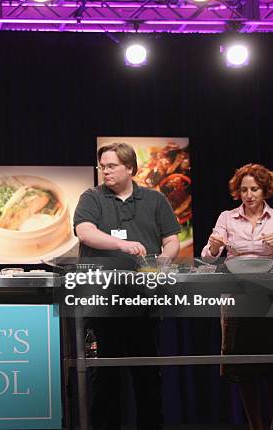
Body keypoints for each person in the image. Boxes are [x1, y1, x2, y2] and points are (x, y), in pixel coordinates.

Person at [74, 142, 181, 430]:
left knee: (147, 374)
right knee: (105, 376)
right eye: (102, 166)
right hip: (102, 300)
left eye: (111, 166)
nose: (105, 171)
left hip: (143, 299)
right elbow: (85, 232)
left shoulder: (155, 200)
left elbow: (172, 240)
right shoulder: (92, 197)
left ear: (130, 168)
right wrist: (121, 244)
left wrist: (164, 259)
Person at [202, 163, 273, 430]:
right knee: (243, 366)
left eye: (254, 189)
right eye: (243, 189)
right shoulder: (226, 217)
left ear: (265, 189)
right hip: (237, 293)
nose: (249, 194)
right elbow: (208, 257)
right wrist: (214, 245)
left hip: (269, 294)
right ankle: (255, 425)